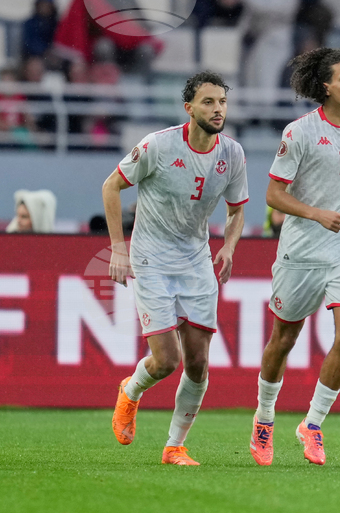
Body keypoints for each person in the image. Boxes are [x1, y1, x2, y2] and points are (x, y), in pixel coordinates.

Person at [103, 71, 249, 466]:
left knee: (198, 363)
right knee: (167, 360)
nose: (217, 109)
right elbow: (111, 186)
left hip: (196, 260)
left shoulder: (232, 154)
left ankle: (174, 447)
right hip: (151, 258)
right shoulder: (159, 145)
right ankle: (131, 391)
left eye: (222, 102)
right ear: (189, 108)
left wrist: (229, 246)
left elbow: (237, 210)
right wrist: (118, 248)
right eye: (208, 102)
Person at [249, 48, 340, 467]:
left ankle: (313, 423)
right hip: (302, 250)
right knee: (283, 340)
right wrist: (316, 213)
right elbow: (274, 195)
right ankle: (264, 417)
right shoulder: (300, 132)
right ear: (326, 87)